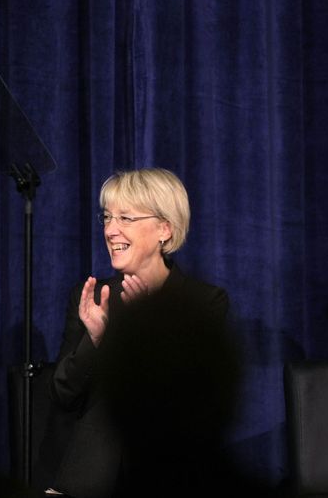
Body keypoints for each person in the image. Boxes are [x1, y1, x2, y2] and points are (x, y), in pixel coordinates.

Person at [48, 168, 238, 498]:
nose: (110, 230)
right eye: (107, 217)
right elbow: (64, 394)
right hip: (93, 478)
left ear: (164, 229)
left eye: (125, 218)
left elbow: (198, 405)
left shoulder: (203, 302)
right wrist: (94, 339)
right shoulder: (94, 296)